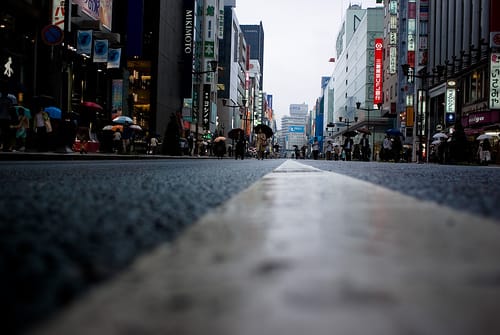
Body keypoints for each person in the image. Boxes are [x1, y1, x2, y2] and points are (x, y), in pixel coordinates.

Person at [0, 83, 13, 151]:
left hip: (1, 118)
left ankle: (1, 145)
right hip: (7, 118)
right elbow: (11, 110)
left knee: (1, 132)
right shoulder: (9, 100)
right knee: (7, 133)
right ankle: (6, 146)